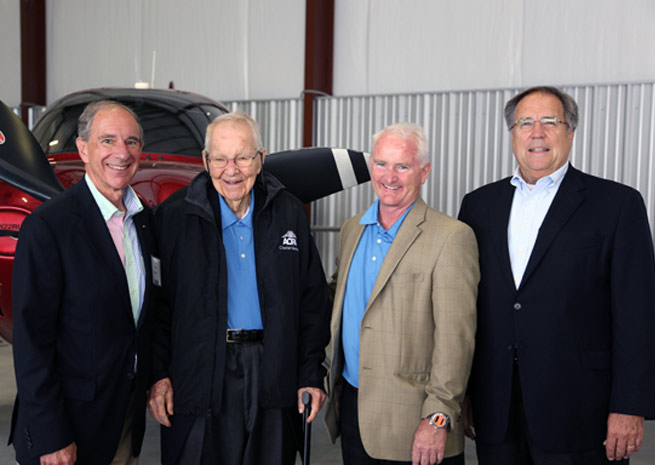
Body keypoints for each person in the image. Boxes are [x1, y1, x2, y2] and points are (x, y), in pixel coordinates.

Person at [458, 86, 655, 464]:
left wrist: (630, 406)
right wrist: (466, 391)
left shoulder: (617, 205)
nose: (537, 133)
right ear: (513, 133)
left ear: (570, 132)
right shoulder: (478, 205)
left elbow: (637, 314)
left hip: (582, 413)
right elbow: (470, 307)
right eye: (525, 123)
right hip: (496, 408)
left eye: (550, 122)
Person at [148, 110, 331, 465]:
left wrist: (310, 374)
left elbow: (312, 302)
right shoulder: (174, 217)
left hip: (273, 371)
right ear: (205, 161)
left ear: (260, 159)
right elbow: (157, 306)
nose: (231, 170)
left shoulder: (289, 212)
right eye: (220, 158)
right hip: (201, 372)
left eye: (243, 157)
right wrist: (159, 375)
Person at [10, 101, 157, 465]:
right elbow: (31, 340)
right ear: (82, 148)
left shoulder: (145, 223)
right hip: (67, 430)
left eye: (131, 141)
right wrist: (51, 435)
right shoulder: (49, 227)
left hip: (121, 420)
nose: (121, 153)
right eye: (107, 140)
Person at [324, 122, 480, 465]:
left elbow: (457, 340)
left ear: (424, 172)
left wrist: (437, 417)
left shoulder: (451, 237)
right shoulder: (352, 230)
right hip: (353, 409)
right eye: (381, 164)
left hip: (416, 424)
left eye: (402, 166)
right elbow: (338, 301)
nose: (389, 176)